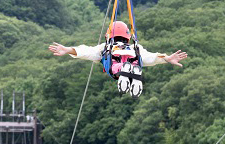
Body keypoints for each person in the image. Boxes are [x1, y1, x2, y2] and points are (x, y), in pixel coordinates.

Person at [48, 21, 187, 96]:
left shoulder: (105, 47)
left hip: (116, 67)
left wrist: (67, 50)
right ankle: (133, 75)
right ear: (127, 36)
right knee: (133, 64)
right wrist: (167, 58)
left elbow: (86, 51)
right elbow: (150, 58)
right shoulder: (134, 48)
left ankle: (125, 72)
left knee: (115, 67)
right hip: (132, 61)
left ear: (109, 35)